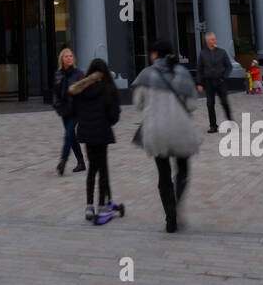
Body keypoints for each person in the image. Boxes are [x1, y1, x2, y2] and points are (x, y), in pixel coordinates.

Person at [133, 41, 201, 233]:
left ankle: (170, 217)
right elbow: (192, 105)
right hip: (181, 129)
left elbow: (138, 103)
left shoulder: (146, 74)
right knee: (183, 171)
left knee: (163, 175)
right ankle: (177, 204)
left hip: (157, 130)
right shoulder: (183, 73)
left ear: (155, 54)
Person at [68, 59, 120, 222]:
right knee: (103, 169)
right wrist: (107, 122)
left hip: (87, 133)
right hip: (102, 133)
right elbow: (114, 114)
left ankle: (89, 206)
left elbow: (75, 109)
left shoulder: (82, 87)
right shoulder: (108, 87)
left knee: (91, 169)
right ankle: (102, 206)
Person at [52, 47, 85, 175]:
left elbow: (84, 91)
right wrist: (58, 107)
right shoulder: (58, 74)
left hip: (75, 110)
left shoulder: (79, 73)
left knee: (67, 134)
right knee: (71, 137)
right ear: (62, 59)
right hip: (64, 110)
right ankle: (81, 162)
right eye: (66, 56)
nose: (69, 58)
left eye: (71, 56)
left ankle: (63, 162)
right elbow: (55, 93)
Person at [196, 31, 233, 133]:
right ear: (207, 41)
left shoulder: (222, 52)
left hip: (220, 82)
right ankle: (213, 126)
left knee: (225, 103)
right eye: (212, 39)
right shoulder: (203, 53)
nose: (214, 41)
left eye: (214, 39)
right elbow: (199, 69)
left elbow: (229, 66)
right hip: (208, 83)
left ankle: (231, 123)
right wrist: (199, 83)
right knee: (210, 104)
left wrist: (224, 77)